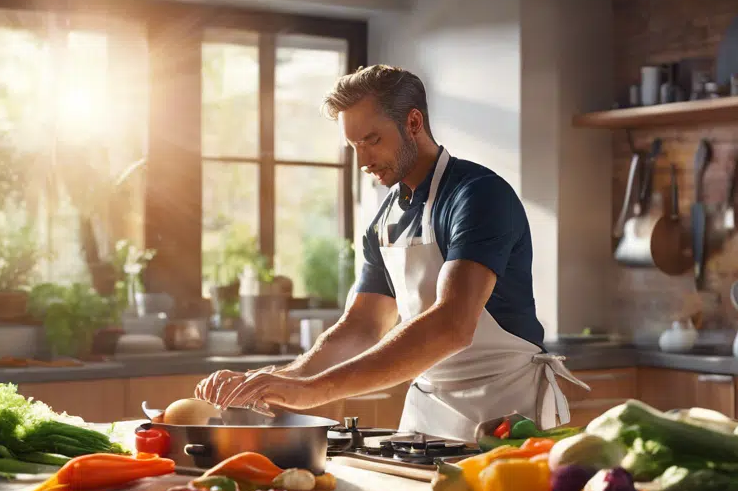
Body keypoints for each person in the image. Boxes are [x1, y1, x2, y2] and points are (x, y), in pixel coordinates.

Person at [195, 65, 585, 441]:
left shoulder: (478, 195)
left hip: (506, 411)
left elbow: (453, 325)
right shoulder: (382, 221)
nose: (363, 160)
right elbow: (364, 326)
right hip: (427, 414)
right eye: (353, 146)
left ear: (413, 123)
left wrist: (314, 391)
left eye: (372, 140)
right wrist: (282, 378)